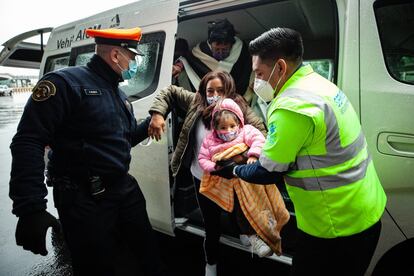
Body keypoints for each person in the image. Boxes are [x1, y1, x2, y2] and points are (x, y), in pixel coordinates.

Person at [212, 27, 387, 276]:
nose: (256, 82)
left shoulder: (292, 106)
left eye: (259, 74)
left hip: (333, 226)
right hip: (365, 210)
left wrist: (235, 169)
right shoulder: (320, 85)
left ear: (280, 67)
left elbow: (268, 171)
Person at [9, 27, 165, 276]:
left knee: (147, 258)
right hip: (84, 199)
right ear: (116, 55)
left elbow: (123, 141)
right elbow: (28, 141)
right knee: (96, 267)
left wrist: (153, 120)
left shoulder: (119, 94)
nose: (134, 63)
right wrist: (30, 208)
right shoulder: (63, 84)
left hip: (123, 190)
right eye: (132, 57)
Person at [148, 71, 266, 276]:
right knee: (211, 226)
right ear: (203, 91)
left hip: (231, 176)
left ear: (228, 89)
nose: (215, 94)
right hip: (201, 177)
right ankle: (211, 264)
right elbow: (169, 92)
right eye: (210, 90)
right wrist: (157, 114)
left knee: (239, 210)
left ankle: (245, 233)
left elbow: (262, 133)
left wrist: (243, 156)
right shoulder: (196, 102)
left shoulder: (239, 106)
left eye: (220, 90)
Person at [198, 98, 290, 258]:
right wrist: (215, 168)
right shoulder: (210, 141)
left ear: (239, 123)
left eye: (232, 126)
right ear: (215, 129)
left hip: (248, 178)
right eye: (223, 128)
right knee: (242, 209)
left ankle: (270, 226)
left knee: (264, 201)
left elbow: (259, 140)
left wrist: (253, 155)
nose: (228, 131)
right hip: (229, 181)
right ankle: (253, 236)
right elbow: (202, 159)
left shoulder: (246, 130)